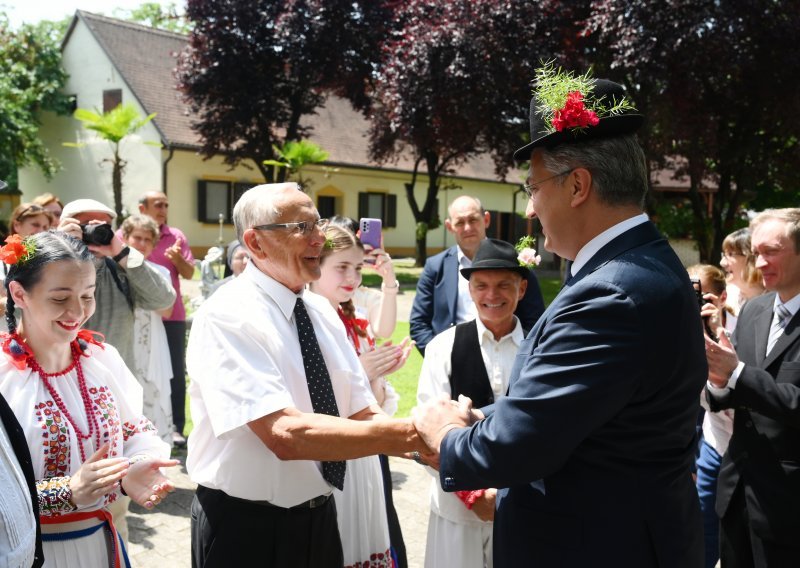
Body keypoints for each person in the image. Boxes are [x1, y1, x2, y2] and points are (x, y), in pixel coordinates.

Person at [413, 67, 706, 566]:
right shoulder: (641, 266)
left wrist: (446, 434)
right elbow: (588, 411)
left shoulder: (609, 293)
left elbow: (518, 449)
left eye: (533, 187)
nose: (530, 209)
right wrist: (485, 417)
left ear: (577, 185)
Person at [186, 182, 429, 568]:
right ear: (256, 242)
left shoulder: (320, 310)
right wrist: (415, 434)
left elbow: (361, 411)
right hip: (246, 529)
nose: (320, 238)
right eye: (302, 228)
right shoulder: (228, 315)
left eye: (319, 224)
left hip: (320, 519)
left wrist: (431, 447)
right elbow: (285, 434)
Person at [0, 231, 178, 567]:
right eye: (59, 298)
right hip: (30, 554)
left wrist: (136, 467)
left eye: (88, 295)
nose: (77, 311)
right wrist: (64, 493)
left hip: (100, 544)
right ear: (19, 293)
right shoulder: (4, 378)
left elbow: (134, 429)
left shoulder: (101, 359)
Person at [417, 237, 528, 568]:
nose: (492, 296)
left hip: (522, 510)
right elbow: (427, 431)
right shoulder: (442, 347)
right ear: (470, 289)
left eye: (503, 285)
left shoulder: (539, 348)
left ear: (521, 288)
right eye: (481, 286)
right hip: (455, 508)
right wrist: (475, 495)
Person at [309, 224, 412, 567]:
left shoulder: (350, 317)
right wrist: (362, 372)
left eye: (356, 267)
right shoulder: (306, 318)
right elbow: (312, 401)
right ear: (315, 266)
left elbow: (375, 402)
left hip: (363, 455)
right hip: (331, 456)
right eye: (341, 267)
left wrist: (377, 376)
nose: (352, 277)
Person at [705, 208, 800, 567]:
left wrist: (738, 372)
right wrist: (717, 382)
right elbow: (736, 392)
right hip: (735, 495)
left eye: (771, 251)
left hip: (788, 506)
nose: (759, 262)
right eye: (756, 252)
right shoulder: (754, 310)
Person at [409, 195, 545, 355]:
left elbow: (536, 322)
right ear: (449, 226)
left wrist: (516, 357)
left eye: (473, 220)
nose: (467, 228)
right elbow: (419, 323)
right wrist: (443, 359)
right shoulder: (435, 267)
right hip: (452, 357)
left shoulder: (514, 262)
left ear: (486, 219)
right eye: (459, 222)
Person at [137, 191, 195, 448]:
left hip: (172, 314)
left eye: (166, 205)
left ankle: (175, 428)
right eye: (157, 204)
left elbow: (190, 273)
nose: (163, 209)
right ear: (143, 208)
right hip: (137, 315)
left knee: (174, 372)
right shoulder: (128, 234)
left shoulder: (176, 236)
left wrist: (178, 259)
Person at [120, 214, 174, 447]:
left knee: (150, 392)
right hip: (122, 339)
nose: (141, 244)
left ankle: (152, 450)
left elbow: (167, 311)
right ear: (125, 238)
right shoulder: (114, 269)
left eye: (147, 240)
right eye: (137, 238)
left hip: (151, 340)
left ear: (153, 244)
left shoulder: (159, 272)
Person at [721, 228, 765, 313]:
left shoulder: (778, 299)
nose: (722, 263)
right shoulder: (725, 299)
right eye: (723, 255)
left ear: (751, 259)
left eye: (730, 254)